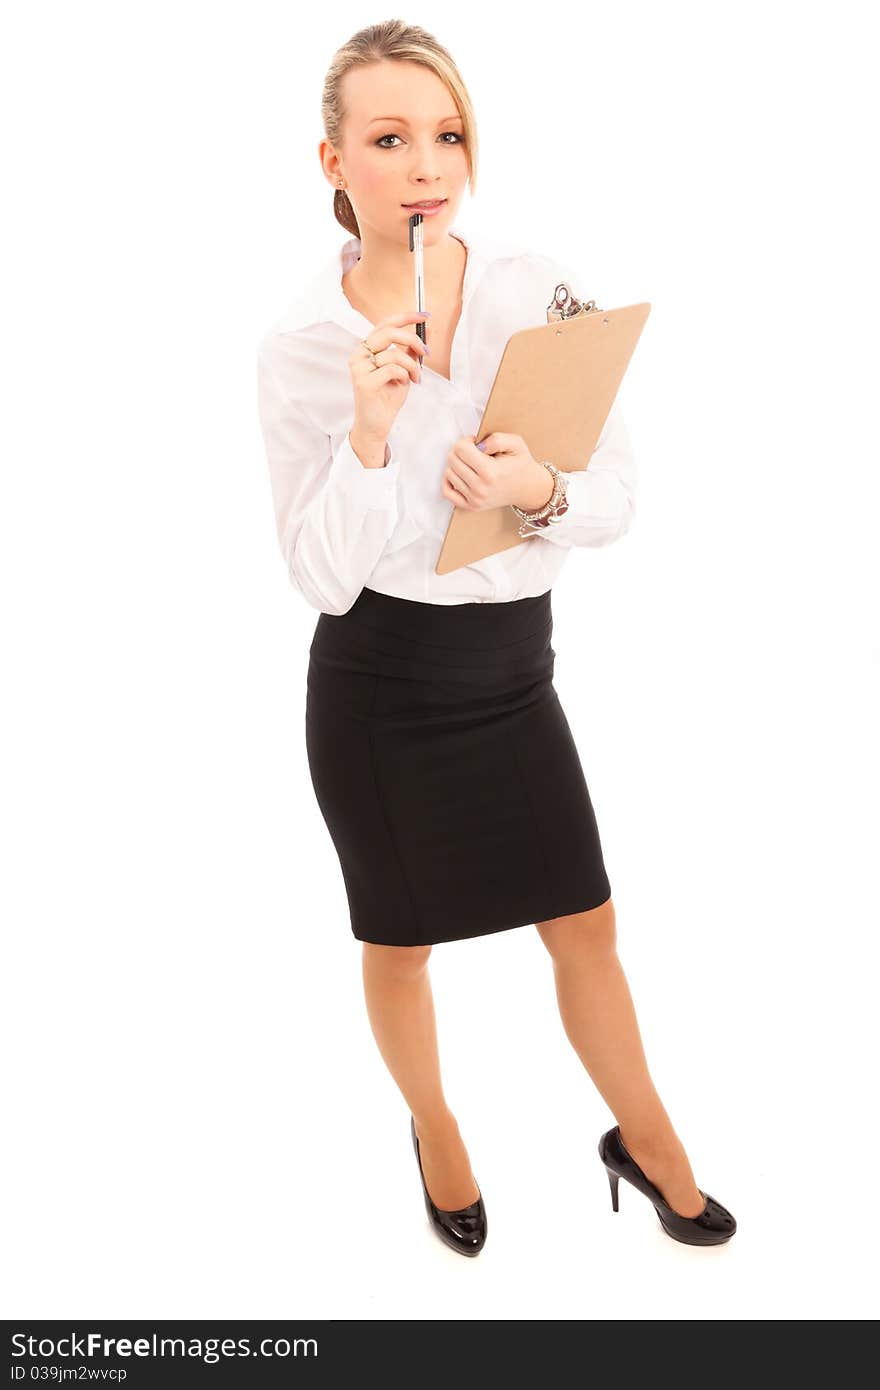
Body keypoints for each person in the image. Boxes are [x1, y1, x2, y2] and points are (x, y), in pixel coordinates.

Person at [256, 19, 737, 1256]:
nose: (427, 164)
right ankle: (436, 1126)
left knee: (585, 921)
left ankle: (652, 1141)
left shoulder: (535, 285)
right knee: (398, 941)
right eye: (389, 137)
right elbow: (315, 575)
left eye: (447, 133)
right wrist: (367, 434)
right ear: (332, 161)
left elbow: (620, 498)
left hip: (514, 677)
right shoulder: (303, 349)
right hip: (377, 686)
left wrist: (536, 490)